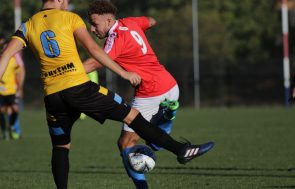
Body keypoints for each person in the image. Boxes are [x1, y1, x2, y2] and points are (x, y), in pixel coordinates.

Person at [0, 0, 214, 188]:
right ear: (60, 1)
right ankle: (181, 148)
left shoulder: (27, 25)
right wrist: (123, 74)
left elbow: (6, 55)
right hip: (80, 88)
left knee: (61, 147)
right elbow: (94, 51)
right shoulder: (70, 18)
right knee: (132, 116)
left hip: (53, 96)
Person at [84, 1, 212, 188]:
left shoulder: (115, 38)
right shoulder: (130, 22)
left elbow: (95, 62)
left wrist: (65, 71)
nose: (92, 29)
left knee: (125, 144)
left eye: (95, 24)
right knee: (151, 140)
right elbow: (151, 21)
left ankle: (145, 182)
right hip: (170, 84)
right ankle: (166, 118)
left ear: (109, 20)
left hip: (151, 93)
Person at [0, 36, 25, 140]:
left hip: (12, 90)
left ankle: (12, 126)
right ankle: (4, 131)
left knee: (15, 109)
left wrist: (20, 88)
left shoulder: (13, 59)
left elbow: (18, 73)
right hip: (0, 90)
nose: (4, 48)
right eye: (2, 46)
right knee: (2, 111)